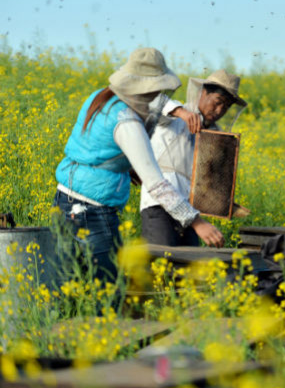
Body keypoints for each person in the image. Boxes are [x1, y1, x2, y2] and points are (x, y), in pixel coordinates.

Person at [53, 48, 224, 285]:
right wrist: (197, 222)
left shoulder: (99, 97)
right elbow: (157, 185)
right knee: (110, 290)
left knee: (72, 283)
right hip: (94, 211)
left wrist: (125, 166)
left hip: (65, 200)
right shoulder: (128, 122)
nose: (157, 93)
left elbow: (94, 149)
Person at [140, 69, 248, 246]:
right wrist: (181, 112)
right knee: (162, 266)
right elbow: (148, 100)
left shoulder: (214, 136)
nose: (219, 110)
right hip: (159, 207)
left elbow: (206, 183)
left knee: (188, 268)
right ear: (203, 93)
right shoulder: (173, 117)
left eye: (226, 107)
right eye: (217, 102)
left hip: (190, 214)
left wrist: (224, 203)